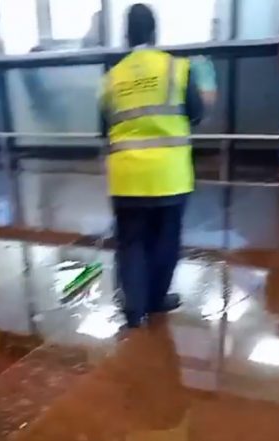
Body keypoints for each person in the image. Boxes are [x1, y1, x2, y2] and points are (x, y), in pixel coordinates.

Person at [100, 3, 203, 328]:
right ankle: (157, 299)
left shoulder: (111, 77)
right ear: (155, 33)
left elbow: (103, 128)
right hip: (169, 175)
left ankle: (135, 311)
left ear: (127, 35)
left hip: (127, 176)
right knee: (166, 241)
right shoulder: (177, 69)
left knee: (131, 241)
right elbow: (197, 113)